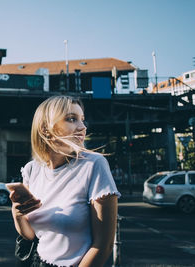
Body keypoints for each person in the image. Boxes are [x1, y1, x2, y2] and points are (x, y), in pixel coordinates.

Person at [10, 95, 120, 267]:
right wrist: (18, 216)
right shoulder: (32, 169)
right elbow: (30, 235)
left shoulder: (94, 164)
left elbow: (103, 245)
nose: (82, 127)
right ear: (45, 128)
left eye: (82, 120)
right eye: (71, 119)